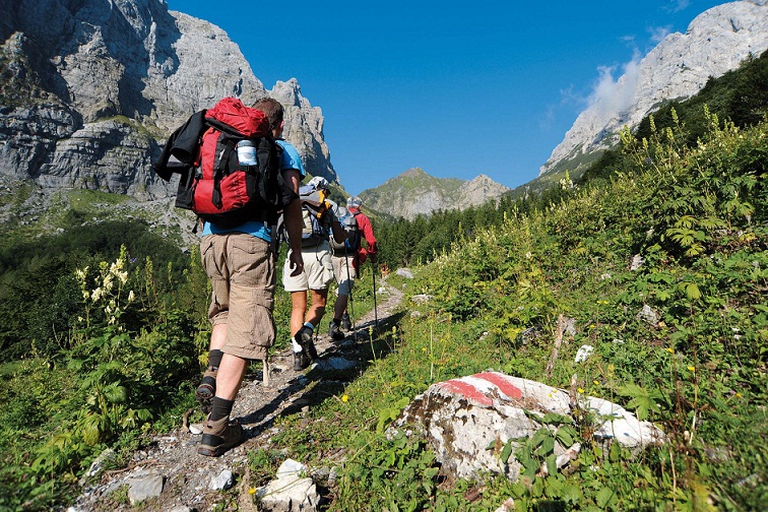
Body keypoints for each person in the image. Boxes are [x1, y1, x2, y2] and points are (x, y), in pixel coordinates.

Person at [195, 97, 305, 457]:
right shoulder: (281, 148)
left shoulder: (221, 133)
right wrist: (296, 249)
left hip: (210, 240)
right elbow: (291, 202)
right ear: (280, 124)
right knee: (247, 329)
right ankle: (217, 428)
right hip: (250, 243)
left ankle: (212, 372)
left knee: (224, 313)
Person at [283, 176, 346, 370]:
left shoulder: (294, 199)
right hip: (318, 254)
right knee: (318, 303)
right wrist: (345, 233)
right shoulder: (327, 205)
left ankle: (298, 353)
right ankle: (307, 331)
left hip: (295, 253)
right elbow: (338, 238)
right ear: (324, 189)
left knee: (297, 308)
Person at [328, 196, 377, 340]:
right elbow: (371, 241)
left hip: (333, 256)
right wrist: (372, 255)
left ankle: (344, 318)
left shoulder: (338, 215)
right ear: (360, 206)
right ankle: (335, 324)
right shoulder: (362, 218)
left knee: (341, 288)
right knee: (344, 290)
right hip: (350, 257)